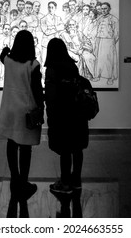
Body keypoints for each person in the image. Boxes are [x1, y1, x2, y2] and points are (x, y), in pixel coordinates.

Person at [0, 30, 44, 199]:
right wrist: (41, 108)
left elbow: (2, 55)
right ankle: (23, 182)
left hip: (9, 109)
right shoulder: (33, 65)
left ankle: (14, 178)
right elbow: (38, 91)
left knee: (11, 142)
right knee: (25, 147)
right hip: (26, 110)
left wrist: (7, 49)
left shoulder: (8, 61)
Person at [44, 38, 89, 194]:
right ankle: (76, 180)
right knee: (77, 148)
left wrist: (50, 116)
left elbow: (51, 96)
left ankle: (65, 183)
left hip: (62, 115)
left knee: (65, 149)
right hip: (78, 114)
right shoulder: (72, 66)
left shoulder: (51, 68)